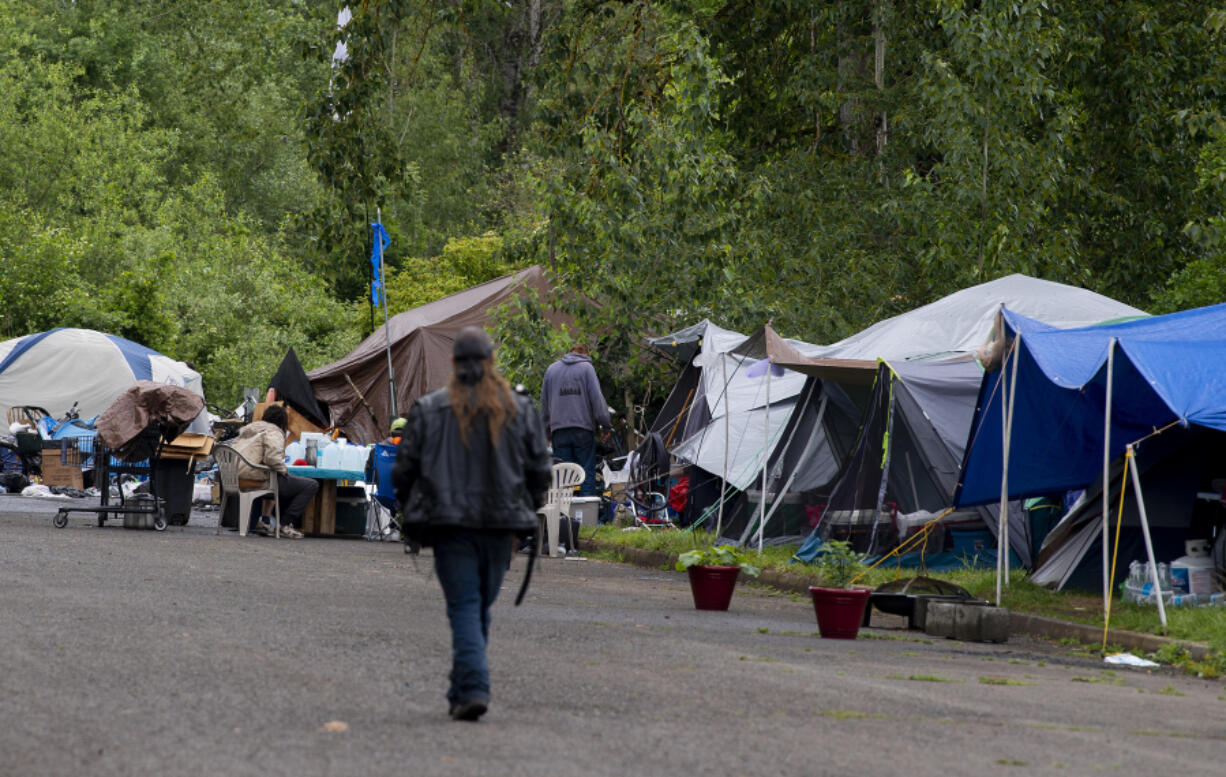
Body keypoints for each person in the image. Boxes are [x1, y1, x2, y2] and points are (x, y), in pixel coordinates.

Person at [393, 326, 551, 722]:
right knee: (477, 606)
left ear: (452, 364)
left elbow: (404, 470)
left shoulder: (429, 409)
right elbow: (540, 471)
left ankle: (474, 688)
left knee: (466, 606)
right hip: (502, 529)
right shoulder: (519, 408)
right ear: (491, 361)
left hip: (450, 527)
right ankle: (461, 691)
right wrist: (525, 511)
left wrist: (412, 505)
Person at [230, 404, 317, 539]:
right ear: (282, 422)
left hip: (234, 479)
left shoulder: (247, 431)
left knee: (276, 478)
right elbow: (272, 459)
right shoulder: (273, 432)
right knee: (310, 485)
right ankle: (285, 524)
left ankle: (264, 521)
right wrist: (284, 470)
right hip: (255, 481)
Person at [540, 342, 611, 496]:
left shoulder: (551, 370)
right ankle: (586, 515)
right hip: (583, 430)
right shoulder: (587, 368)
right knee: (585, 472)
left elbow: (544, 405)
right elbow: (597, 400)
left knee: (563, 476)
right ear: (586, 355)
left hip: (559, 431)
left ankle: (563, 516)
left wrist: (546, 432)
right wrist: (606, 426)